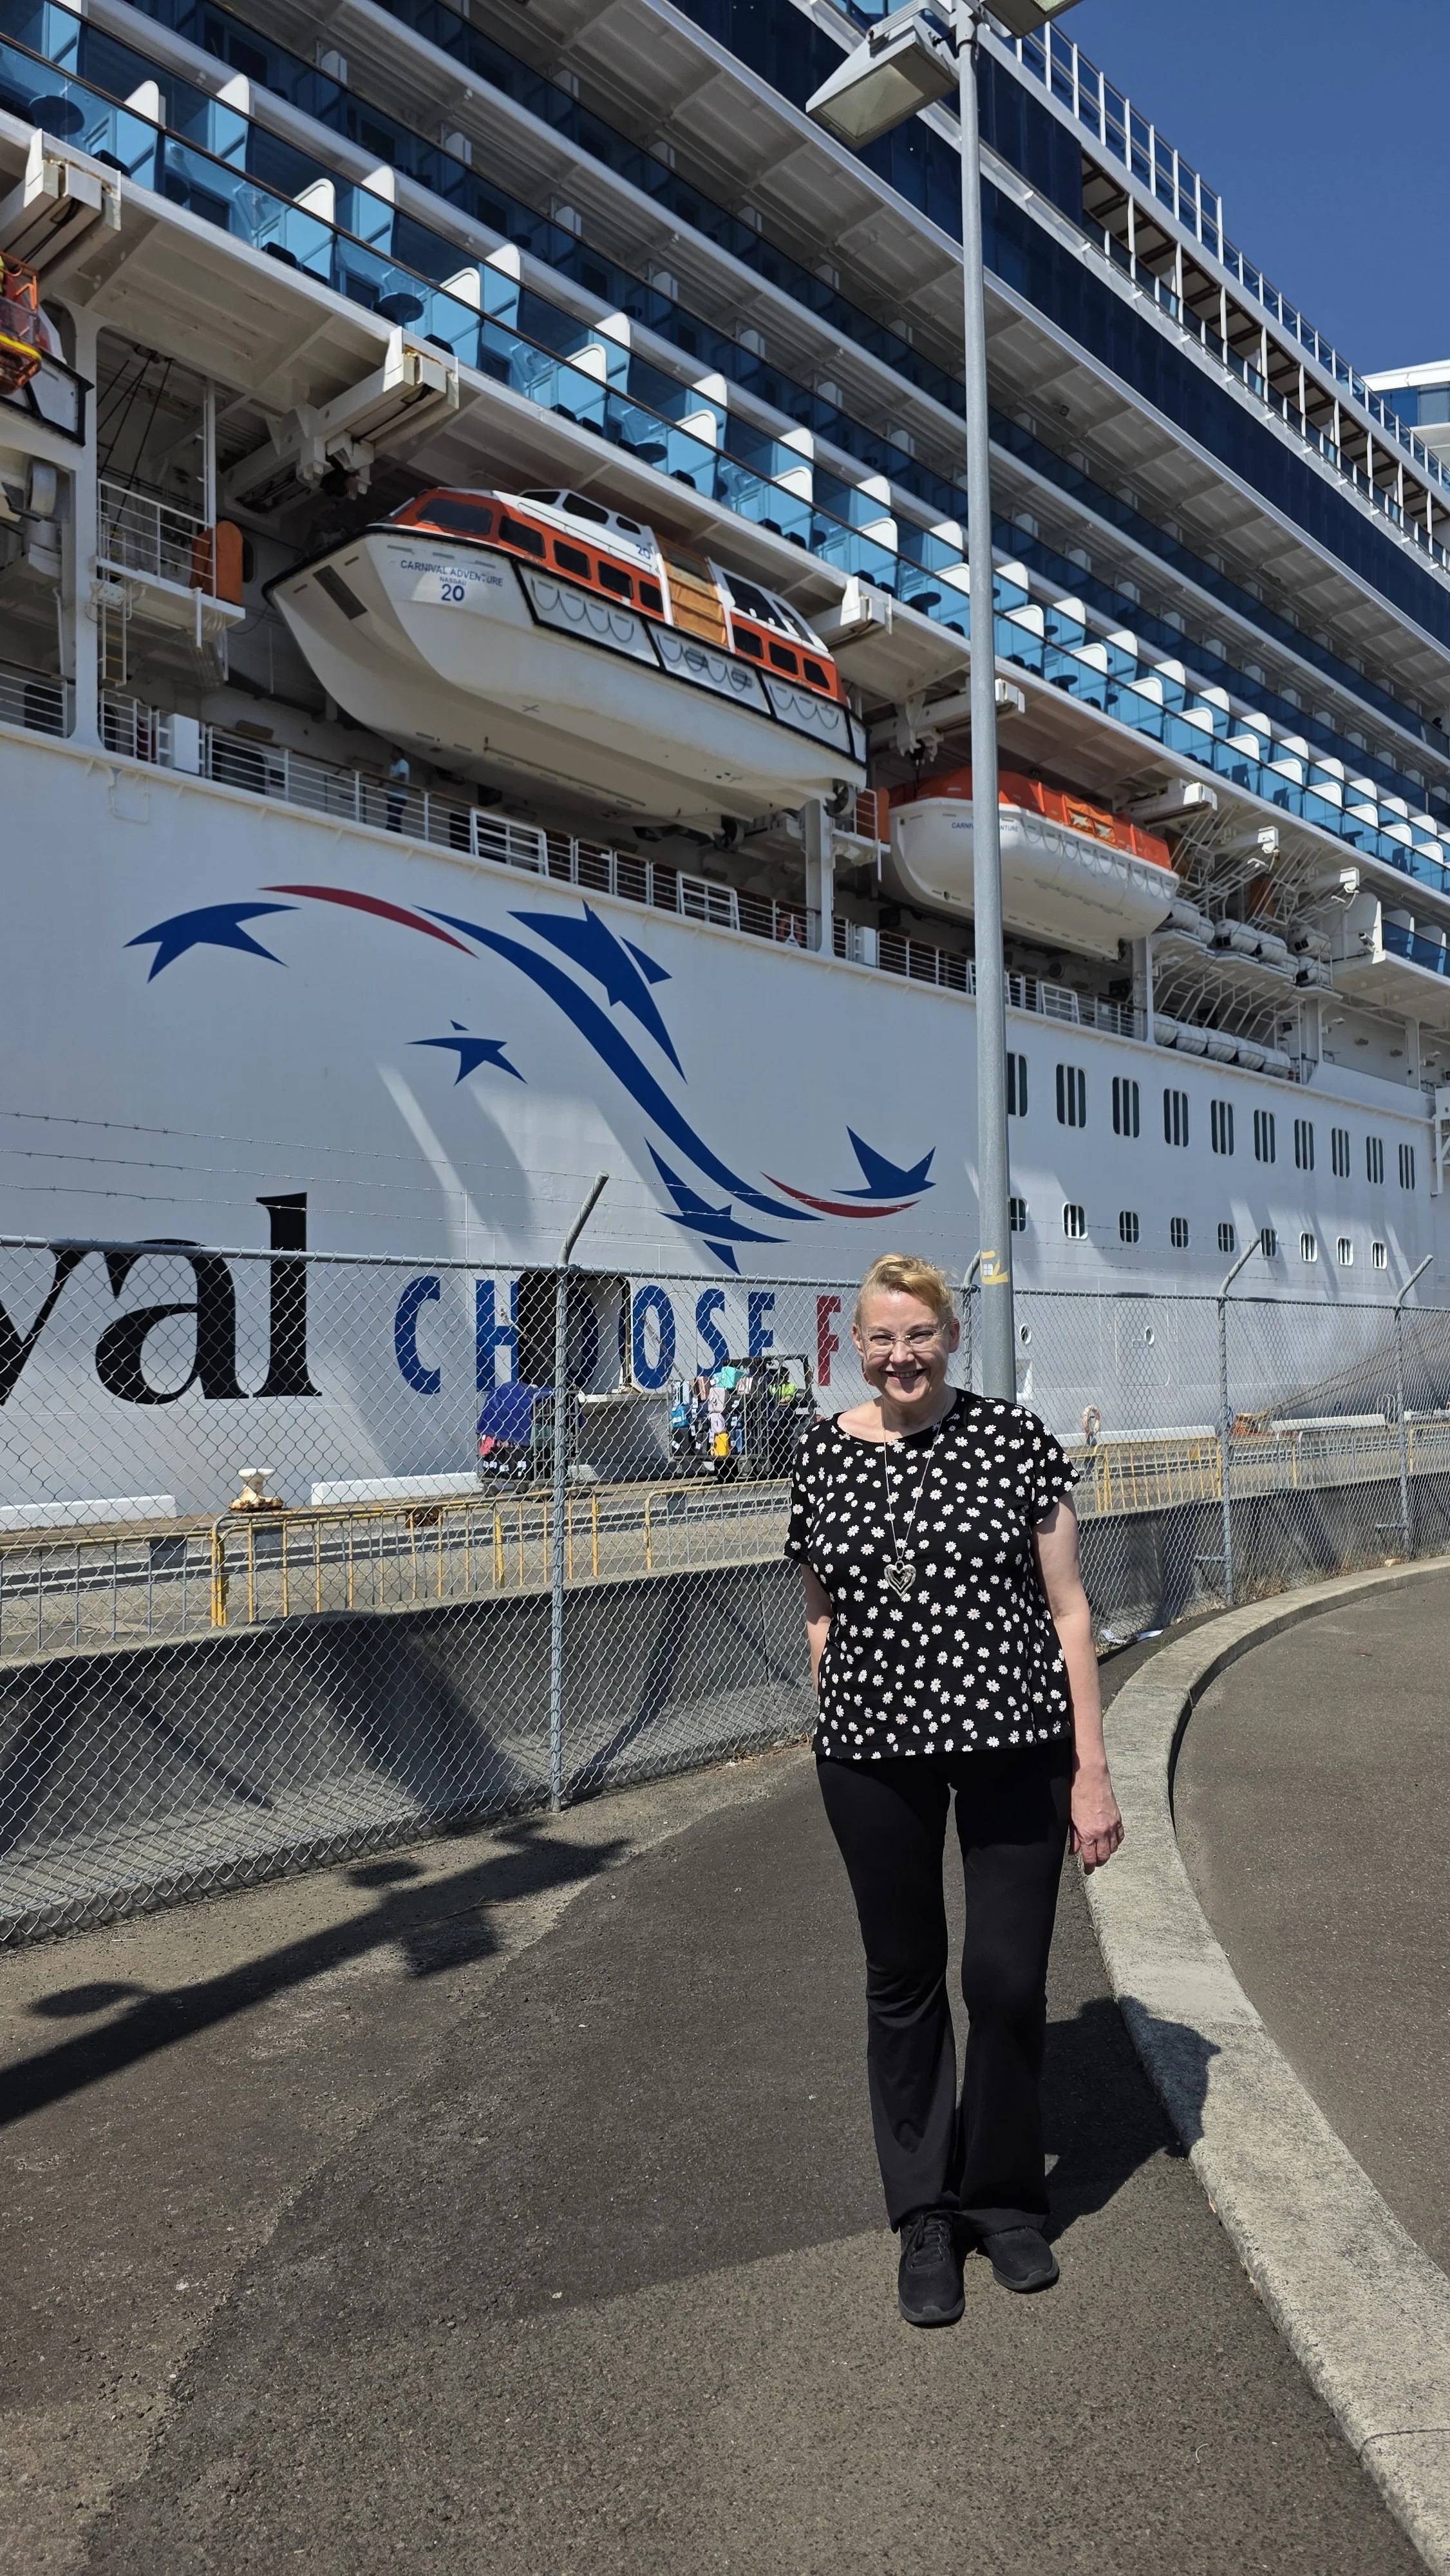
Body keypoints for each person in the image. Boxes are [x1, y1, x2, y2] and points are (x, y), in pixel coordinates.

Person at [786, 1251, 1122, 2326]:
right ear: (857, 1344)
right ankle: (924, 2211)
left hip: (1016, 1742)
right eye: (881, 1337)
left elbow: (1072, 1612)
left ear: (949, 1336)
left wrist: (1092, 1772)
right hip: (871, 1751)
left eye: (919, 1334)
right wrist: (834, 1707)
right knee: (904, 1978)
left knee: (1009, 1981)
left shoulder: (1014, 1441)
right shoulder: (820, 1455)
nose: (901, 1356)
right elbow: (821, 1610)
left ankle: (1006, 2200)